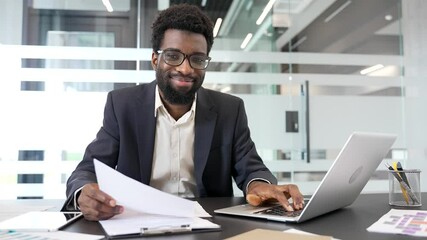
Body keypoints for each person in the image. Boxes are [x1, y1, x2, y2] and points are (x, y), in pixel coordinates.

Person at [62, 3, 304, 221]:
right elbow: (86, 170)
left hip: (208, 225)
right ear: (155, 59)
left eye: (197, 59)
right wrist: (84, 193)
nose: (186, 69)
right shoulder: (122, 105)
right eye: (173, 56)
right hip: (137, 222)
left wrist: (259, 186)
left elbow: (250, 166)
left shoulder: (230, 110)